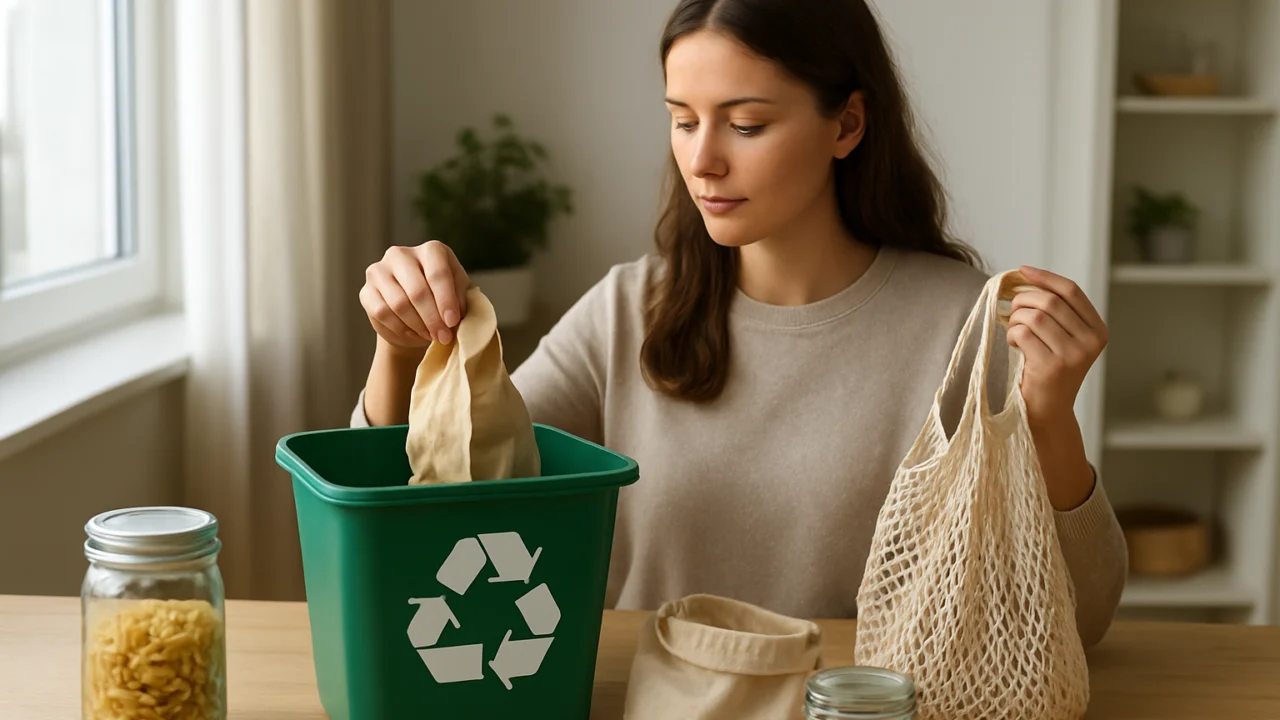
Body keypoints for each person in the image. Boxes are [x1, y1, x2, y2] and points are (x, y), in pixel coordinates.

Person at [353, 0, 1127, 646]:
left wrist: (1050, 419)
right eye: (682, 121)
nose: (702, 161)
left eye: (746, 125)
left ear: (848, 125)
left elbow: (1076, 622)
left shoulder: (963, 327)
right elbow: (430, 508)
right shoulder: (628, 310)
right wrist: (400, 351)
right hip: (655, 699)